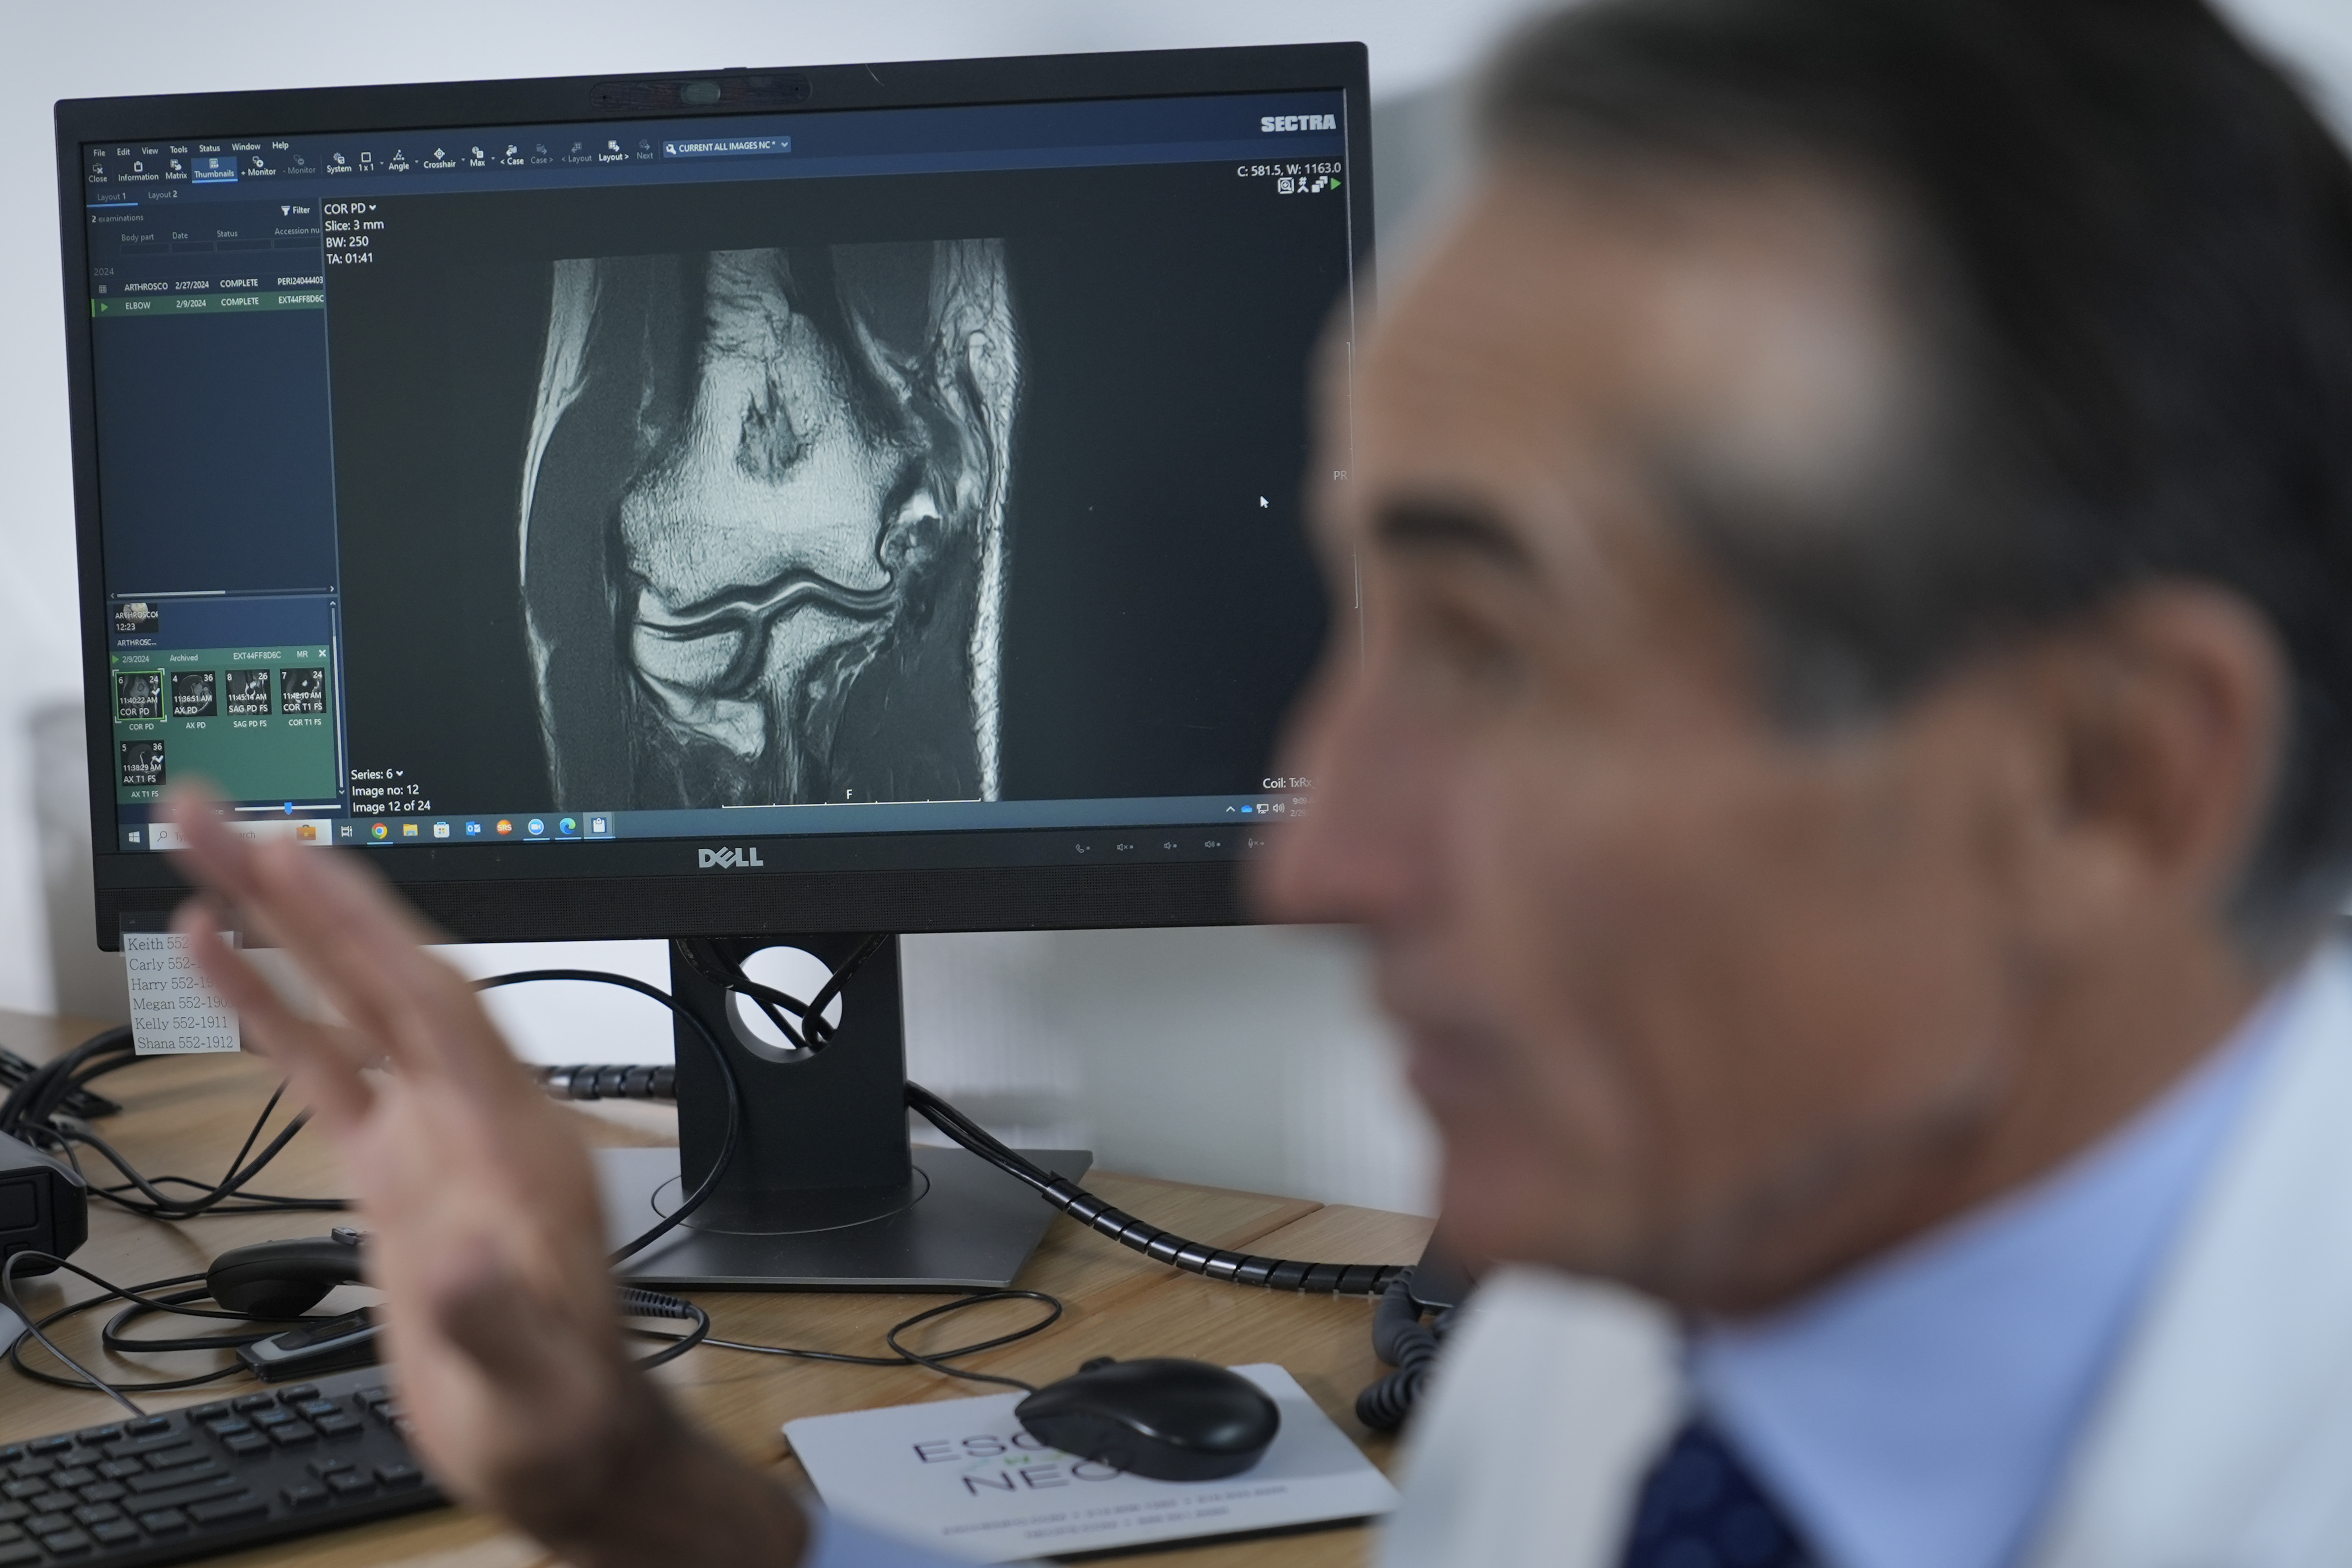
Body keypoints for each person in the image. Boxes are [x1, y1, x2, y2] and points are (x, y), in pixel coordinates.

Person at [165, 0, 2352, 1564]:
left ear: (2104, 784)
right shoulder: (1644, 1300)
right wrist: (627, 1493)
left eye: (1495, 649)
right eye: (1355, 627)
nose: (1314, 850)